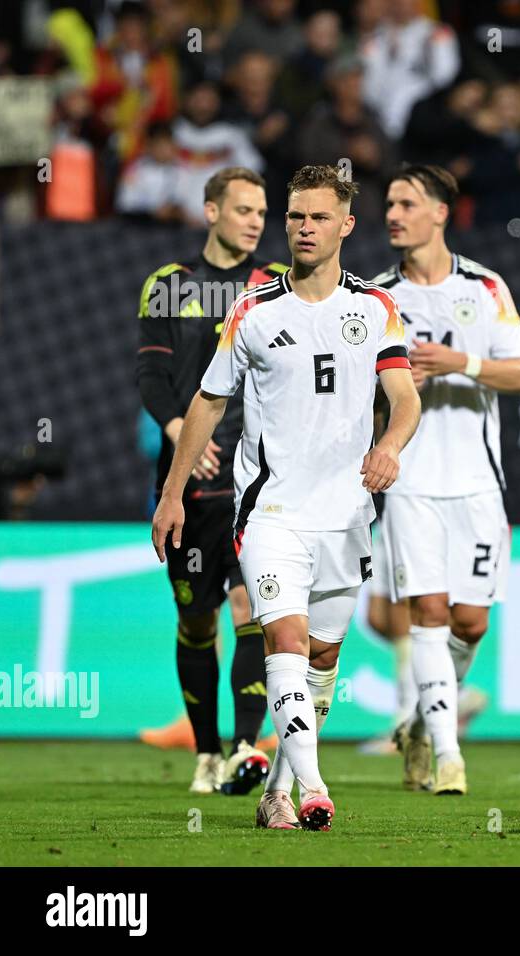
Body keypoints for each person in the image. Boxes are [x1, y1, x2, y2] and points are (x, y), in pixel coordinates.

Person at [151, 164, 420, 831]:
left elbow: (405, 399)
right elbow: (209, 402)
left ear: (345, 226)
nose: (303, 228)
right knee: (286, 636)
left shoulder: (375, 309)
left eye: (318, 217)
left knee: (322, 658)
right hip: (270, 513)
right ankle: (316, 787)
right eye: (295, 217)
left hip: (348, 515)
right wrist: (172, 493)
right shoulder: (253, 310)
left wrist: (390, 448)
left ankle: (278, 786)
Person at [373, 164, 520, 797]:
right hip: (410, 481)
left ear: (440, 212)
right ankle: (448, 755)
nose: (394, 214)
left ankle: (420, 722)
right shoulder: (378, 296)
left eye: (407, 203)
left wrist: (459, 363)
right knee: (430, 613)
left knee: (471, 622)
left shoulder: (486, 287)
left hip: (476, 483)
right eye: (389, 203)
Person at [135, 166, 286, 794]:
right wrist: (180, 438)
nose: (255, 221)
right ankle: (204, 749)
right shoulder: (169, 287)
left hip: (258, 479)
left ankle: (245, 747)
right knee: (198, 618)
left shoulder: (276, 286)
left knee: (254, 605)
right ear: (211, 212)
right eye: (244, 209)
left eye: (261, 211)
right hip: (191, 478)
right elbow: (152, 376)